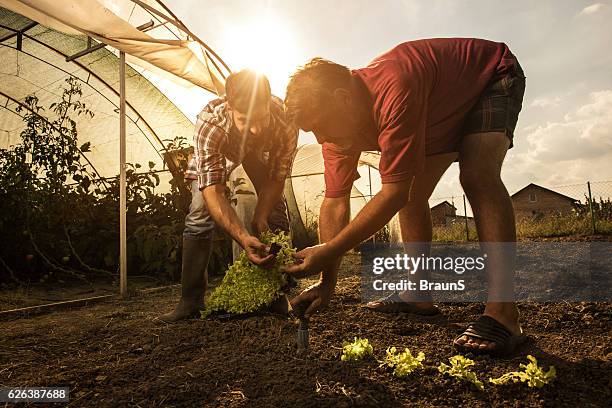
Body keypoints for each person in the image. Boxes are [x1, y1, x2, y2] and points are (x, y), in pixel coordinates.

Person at [283, 38, 526, 356]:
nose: (320, 138)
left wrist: (328, 251)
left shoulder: (395, 87)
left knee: (477, 174)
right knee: (413, 193)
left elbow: (392, 194)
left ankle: (503, 313)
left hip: (488, 77)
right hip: (437, 108)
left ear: (343, 99)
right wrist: (327, 283)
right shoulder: (338, 130)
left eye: (318, 127)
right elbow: (335, 202)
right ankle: (418, 291)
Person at [160, 69, 298, 322]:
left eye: (261, 118)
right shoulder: (211, 123)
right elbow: (212, 189)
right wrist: (244, 236)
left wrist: (261, 215)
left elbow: (278, 176)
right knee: (199, 215)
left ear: (269, 103)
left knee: (276, 214)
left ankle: (277, 294)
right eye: (245, 120)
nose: (255, 129)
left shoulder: (286, 120)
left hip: (261, 156)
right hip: (223, 154)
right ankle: (190, 301)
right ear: (230, 107)